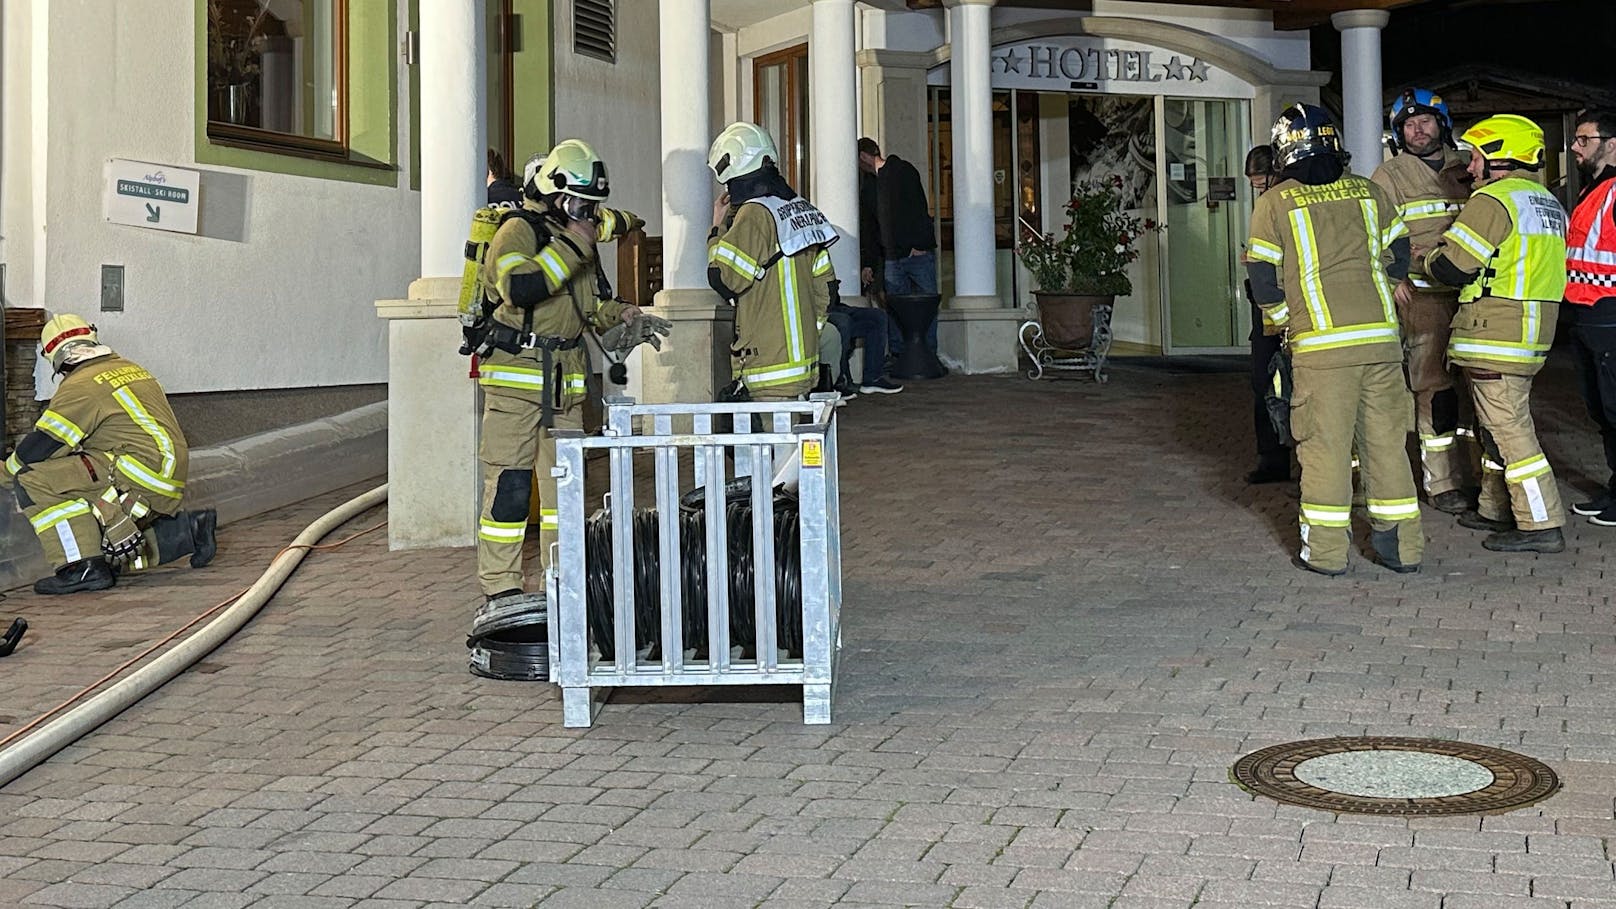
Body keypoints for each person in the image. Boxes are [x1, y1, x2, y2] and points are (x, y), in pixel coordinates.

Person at [474, 139, 667, 606]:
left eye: (593, 206)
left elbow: (591, 304)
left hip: (564, 386)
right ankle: (500, 588)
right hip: (517, 383)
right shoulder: (517, 230)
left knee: (566, 490)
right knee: (510, 489)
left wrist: (622, 315)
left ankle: (561, 578)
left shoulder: (575, 240)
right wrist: (572, 245)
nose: (589, 214)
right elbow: (520, 287)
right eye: (582, 204)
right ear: (557, 191)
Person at [1245, 103, 1423, 576]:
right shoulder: (1368, 193)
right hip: (1382, 345)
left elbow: (1262, 281)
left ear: (1285, 150)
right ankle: (1402, 550)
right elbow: (1398, 250)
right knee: (1386, 446)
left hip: (1322, 351)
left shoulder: (1274, 203)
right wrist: (1381, 289)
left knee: (1324, 450)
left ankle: (1325, 555)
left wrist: (1288, 324)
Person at [1424, 114, 1568, 553]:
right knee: (1496, 427)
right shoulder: (1545, 201)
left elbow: (1452, 267)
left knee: (1510, 432)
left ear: (1500, 156)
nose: (1470, 167)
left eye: (1476, 157)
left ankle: (1541, 525)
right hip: (1529, 333)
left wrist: (1426, 256)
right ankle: (1494, 508)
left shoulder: (1493, 200)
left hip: (1494, 333)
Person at [4, 315, 217, 595]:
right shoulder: (128, 367)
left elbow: (42, 447)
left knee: (34, 481)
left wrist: (7, 474)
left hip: (138, 472)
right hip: (165, 474)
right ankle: (186, 532)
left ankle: (81, 568)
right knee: (107, 549)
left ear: (57, 358)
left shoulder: (80, 386)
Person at [1371, 89, 1479, 514]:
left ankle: (1482, 476)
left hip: (1472, 296)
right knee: (1434, 390)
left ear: (1442, 123)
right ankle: (1442, 483)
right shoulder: (1391, 174)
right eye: (1408, 125)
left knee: (1478, 388)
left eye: (1425, 122)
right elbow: (1375, 233)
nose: (1417, 130)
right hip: (1423, 297)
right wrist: (1391, 275)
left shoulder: (1468, 167)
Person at [707, 121, 836, 402]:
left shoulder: (754, 214)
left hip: (769, 367)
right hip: (804, 364)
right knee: (798, 443)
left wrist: (717, 229)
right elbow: (826, 289)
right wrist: (806, 338)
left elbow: (723, 279)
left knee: (769, 445)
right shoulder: (800, 207)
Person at [1563, 109, 1616, 526]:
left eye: (1584, 139)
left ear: (1610, 143)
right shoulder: (1594, 190)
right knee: (1602, 411)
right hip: (1589, 314)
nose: (1576, 148)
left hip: (1609, 314)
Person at [858, 137, 938, 357]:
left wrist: (918, 244)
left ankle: (927, 352)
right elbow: (871, 229)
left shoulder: (902, 172)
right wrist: (869, 263)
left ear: (863, 157)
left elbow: (917, 208)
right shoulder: (869, 189)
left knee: (927, 304)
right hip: (893, 257)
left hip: (913, 253)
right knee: (895, 307)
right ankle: (899, 353)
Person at [1241, 144, 1290, 484]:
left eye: (1262, 182)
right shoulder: (1267, 206)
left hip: (1292, 309)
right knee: (1263, 382)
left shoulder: (1290, 203)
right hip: (1267, 311)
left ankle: (1289, 458)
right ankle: (1272, 460)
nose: (1260, 190)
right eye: (1255, 186)